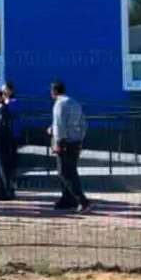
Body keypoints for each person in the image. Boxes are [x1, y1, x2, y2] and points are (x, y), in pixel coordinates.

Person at [49, 81, 91, 213]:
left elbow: (60, 124)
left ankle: (82, 201)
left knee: (64, 172)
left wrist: (60, 141)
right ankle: (68, 199)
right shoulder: (74, 102)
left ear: (54, 91)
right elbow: (83, 123)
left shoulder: (59, 104)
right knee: (71, 170)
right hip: (75, 142)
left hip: (64, 142)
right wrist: (80, 138)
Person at [0, 87, 18, 200]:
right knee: (0, 168)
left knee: (3, 168)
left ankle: (6, 191)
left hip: (1, 143)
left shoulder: (1, 110)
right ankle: (2, 189)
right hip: (1, 143)